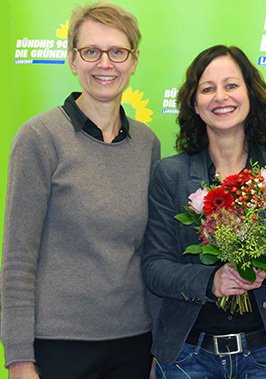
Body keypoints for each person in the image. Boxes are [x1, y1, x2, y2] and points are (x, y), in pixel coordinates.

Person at [1, 3, 160, 378]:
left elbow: (152, 250)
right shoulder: (40, 138)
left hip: (134, 343)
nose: (105, 63)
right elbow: (18, 257)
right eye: (91, 51)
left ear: (134, 61)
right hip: (58, 347)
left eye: (117, 52)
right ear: (73, 60)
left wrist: (159, 344)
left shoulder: (147, 143)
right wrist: (20, 359)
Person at [142, 45, 266, 379]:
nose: (221, 97)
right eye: (207, 89)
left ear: (251, 92)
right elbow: (154, 268)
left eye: (231, 85)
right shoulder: (170, 175)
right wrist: (212, 281)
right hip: (187, 356)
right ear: (194, 103)